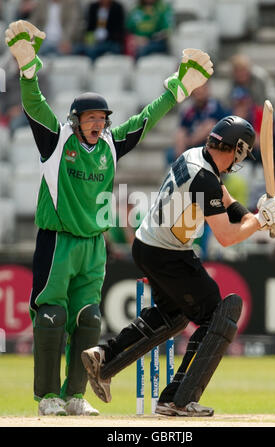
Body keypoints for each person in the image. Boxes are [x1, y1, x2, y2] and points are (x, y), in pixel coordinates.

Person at [5, 20, 214, 416]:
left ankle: (73, 395)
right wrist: (29, 71)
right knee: (52, 318)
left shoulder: (110, 147)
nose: (98, 124)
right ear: (75, 121)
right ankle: (48, 396)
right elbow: (35, 107)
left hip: (93, 245)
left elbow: (147, 119)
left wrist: (178, 88)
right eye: (91, 118)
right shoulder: (57, 140)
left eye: (103, 118)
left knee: (88, 321)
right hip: (57, 240)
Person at [82, 119, 275, 416]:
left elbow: (228, 204)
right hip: (168, 253)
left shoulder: (195, 155)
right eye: (242, 154)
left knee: (173, 316)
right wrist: (260, 221)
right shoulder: (203, 179)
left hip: (148, 245)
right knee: (218, 316)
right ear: (238, 150)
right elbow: (227, 237)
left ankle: (105, 356)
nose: (239, 161)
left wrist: (257, 216)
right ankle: (177, 399)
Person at [166, 82, 230, 165]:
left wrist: (191, 140)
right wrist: (182, 142)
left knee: (210, 125)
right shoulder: (188, 109)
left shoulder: (216, 106)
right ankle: (179, 168)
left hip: (210, 146)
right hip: (190, 146)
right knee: (172, 150)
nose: (199, 92)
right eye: (196, 90)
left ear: (207, 90)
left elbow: (219, 127)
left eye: (202, 89)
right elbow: (182, 129)